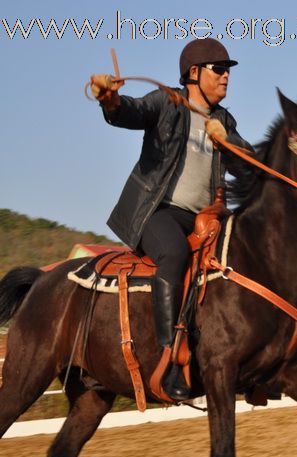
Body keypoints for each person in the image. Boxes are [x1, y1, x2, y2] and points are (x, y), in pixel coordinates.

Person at [90, 39, 253, 400]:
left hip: (205, 219)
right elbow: (128, 111)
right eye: (220, 69)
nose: (227, 77)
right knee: (175, 254)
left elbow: (249, 167)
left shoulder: (224, 120)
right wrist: (109, 99)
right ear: (194, 74)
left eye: (228, 71)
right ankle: (171, 360)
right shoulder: (165, 102)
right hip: (156, 213)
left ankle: (255, 364)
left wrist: (231, 144)